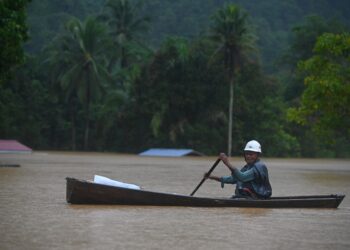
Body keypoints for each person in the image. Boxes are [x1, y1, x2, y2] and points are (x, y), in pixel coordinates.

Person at [205, 140, 272, 199]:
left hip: (258, 197)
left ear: (258, 155)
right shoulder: (247, 167)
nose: (248, 156)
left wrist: (227, 163)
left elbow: (242, 177)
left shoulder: (259, 167)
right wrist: (212, 177)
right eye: (247, 154)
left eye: (251, 154)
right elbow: (233, 179)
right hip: (247, 197)